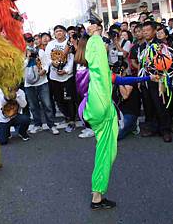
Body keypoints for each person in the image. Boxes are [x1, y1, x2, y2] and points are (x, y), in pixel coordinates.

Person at [74, 25, 117, 210]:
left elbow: (116, 79)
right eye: (103, 44)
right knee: (105, 153)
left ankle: (97, 194)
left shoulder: (83, 69)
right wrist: (96, 37)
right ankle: (97, 196)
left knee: (105, 152)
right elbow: (99, 63)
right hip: (100, 110)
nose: (106, 46)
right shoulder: (94, 69)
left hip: (93, 112)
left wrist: (147, 79)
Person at [139, 21, 173, 142]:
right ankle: (153, 128)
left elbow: (166, 63)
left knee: (160, 104)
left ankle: (165, 130)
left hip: (158, 79)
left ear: (154, 31)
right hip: (145, 79)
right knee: (149, 105)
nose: (145, 33)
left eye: (147, 30)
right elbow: (140, 64)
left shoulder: (160, 45)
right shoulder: (142, 46)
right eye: (143, 30)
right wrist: (140, 79)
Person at [45, 25, 77, 133]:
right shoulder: (51, 44)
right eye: (56, 31)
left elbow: (72, 59)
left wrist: (66, 70)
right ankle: (67, 116)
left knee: (69, 98)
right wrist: (52, 63)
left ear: (64, 33)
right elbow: (47, 58)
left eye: (60, 31)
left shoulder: (69, 43)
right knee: (58, 99)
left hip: (67, 76)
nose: (58, 33)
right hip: (54, 76)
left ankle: (72, 120)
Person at [23, 34, 57, 134]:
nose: (30, 43)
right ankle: (38, 125)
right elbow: (20, 68)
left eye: (31, 40)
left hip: (42, 82)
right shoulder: (20, 54)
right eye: (28, 41)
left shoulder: (40, 51)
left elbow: (47, 63)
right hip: (29, 84)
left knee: (47, 105)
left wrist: (45, 70)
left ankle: (51, 125)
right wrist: (27, 58)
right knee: (33, 106)